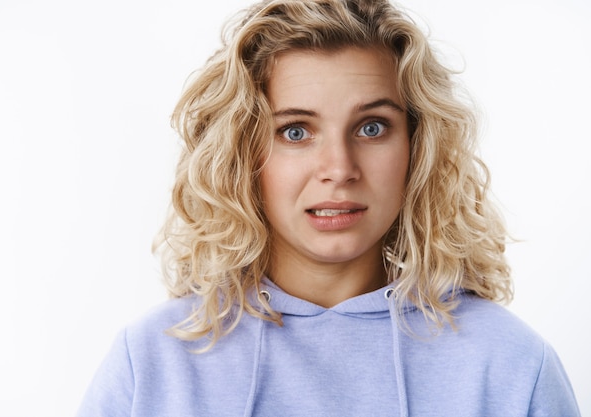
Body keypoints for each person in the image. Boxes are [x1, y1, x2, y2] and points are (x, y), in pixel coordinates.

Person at [76, 0, 580, 416]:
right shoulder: (153, 364)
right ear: (243, 155)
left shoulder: (511, 366)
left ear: (417, 147)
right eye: (295, 132)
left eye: (372, 127)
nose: (339, 168)